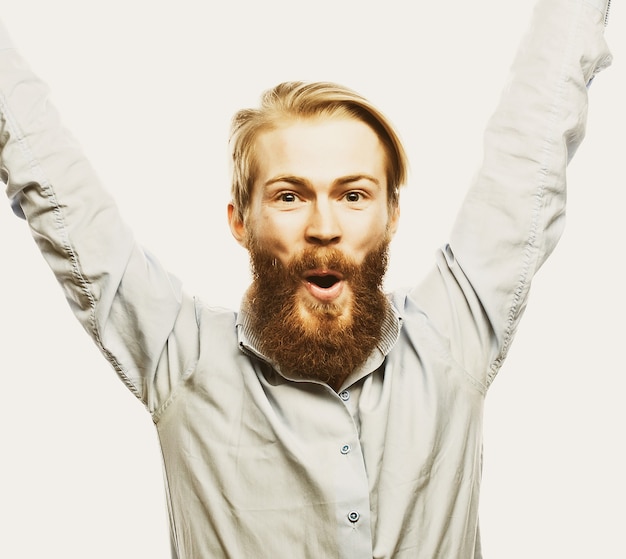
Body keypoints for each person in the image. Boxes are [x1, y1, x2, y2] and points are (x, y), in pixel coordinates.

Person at [0, 0, 613, 557]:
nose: (324, 226)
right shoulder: (178, 356)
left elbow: (535, 129)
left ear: (391, 216)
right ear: (242, 221)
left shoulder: (451, 338)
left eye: (353, 194)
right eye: (290, 196)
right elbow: (49, 174)